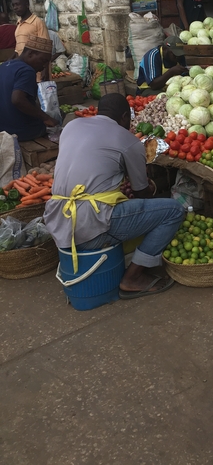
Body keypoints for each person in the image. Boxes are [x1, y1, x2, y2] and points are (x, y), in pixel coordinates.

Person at [44, 93, 185, 298]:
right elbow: (141, 193)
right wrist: (152, 187)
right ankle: (134, 277)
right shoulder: (127, 140)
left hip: (58, 223)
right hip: (90, 227)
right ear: (124, 117)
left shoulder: (71, 127)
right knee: (173, 211)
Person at [0, 36, 58, 141]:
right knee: (55, 125)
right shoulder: (27, 71)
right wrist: (46, 118)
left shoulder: (4, 65)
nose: (44, 66)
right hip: (21, 132)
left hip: (3, 130)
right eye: (43, 61)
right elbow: (17, 100)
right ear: (30, 54)